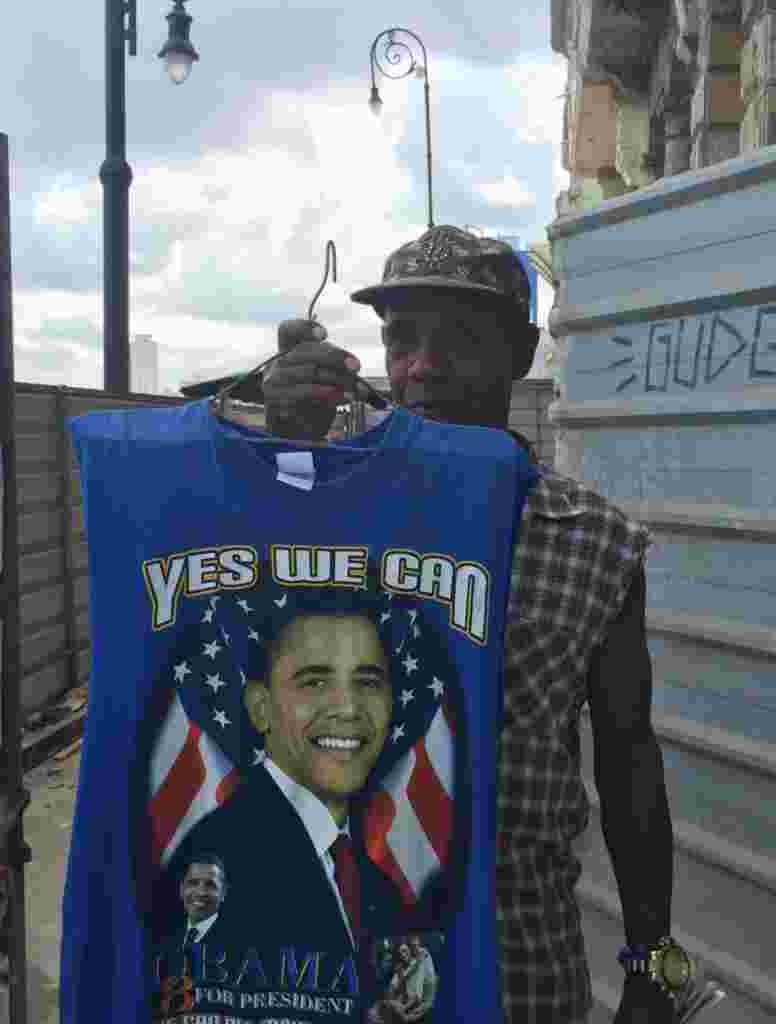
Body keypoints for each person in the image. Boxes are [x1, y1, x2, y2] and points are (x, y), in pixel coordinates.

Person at [187, 226, 678, 1023]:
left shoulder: (593, 541)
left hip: (521, 960)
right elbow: (210, 609)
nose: (422, 368)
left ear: (520, 354)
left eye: (459, 339)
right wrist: (277, 453)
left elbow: (629, 761)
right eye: (401, 339)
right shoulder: (321, 517)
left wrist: (654, 962)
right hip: (329, 955)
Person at [162, 604, 405, 961]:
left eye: (367, 682)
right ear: (261, 708)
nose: (349, 708)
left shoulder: (378, 888)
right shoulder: (213, 862)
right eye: (315, 682)